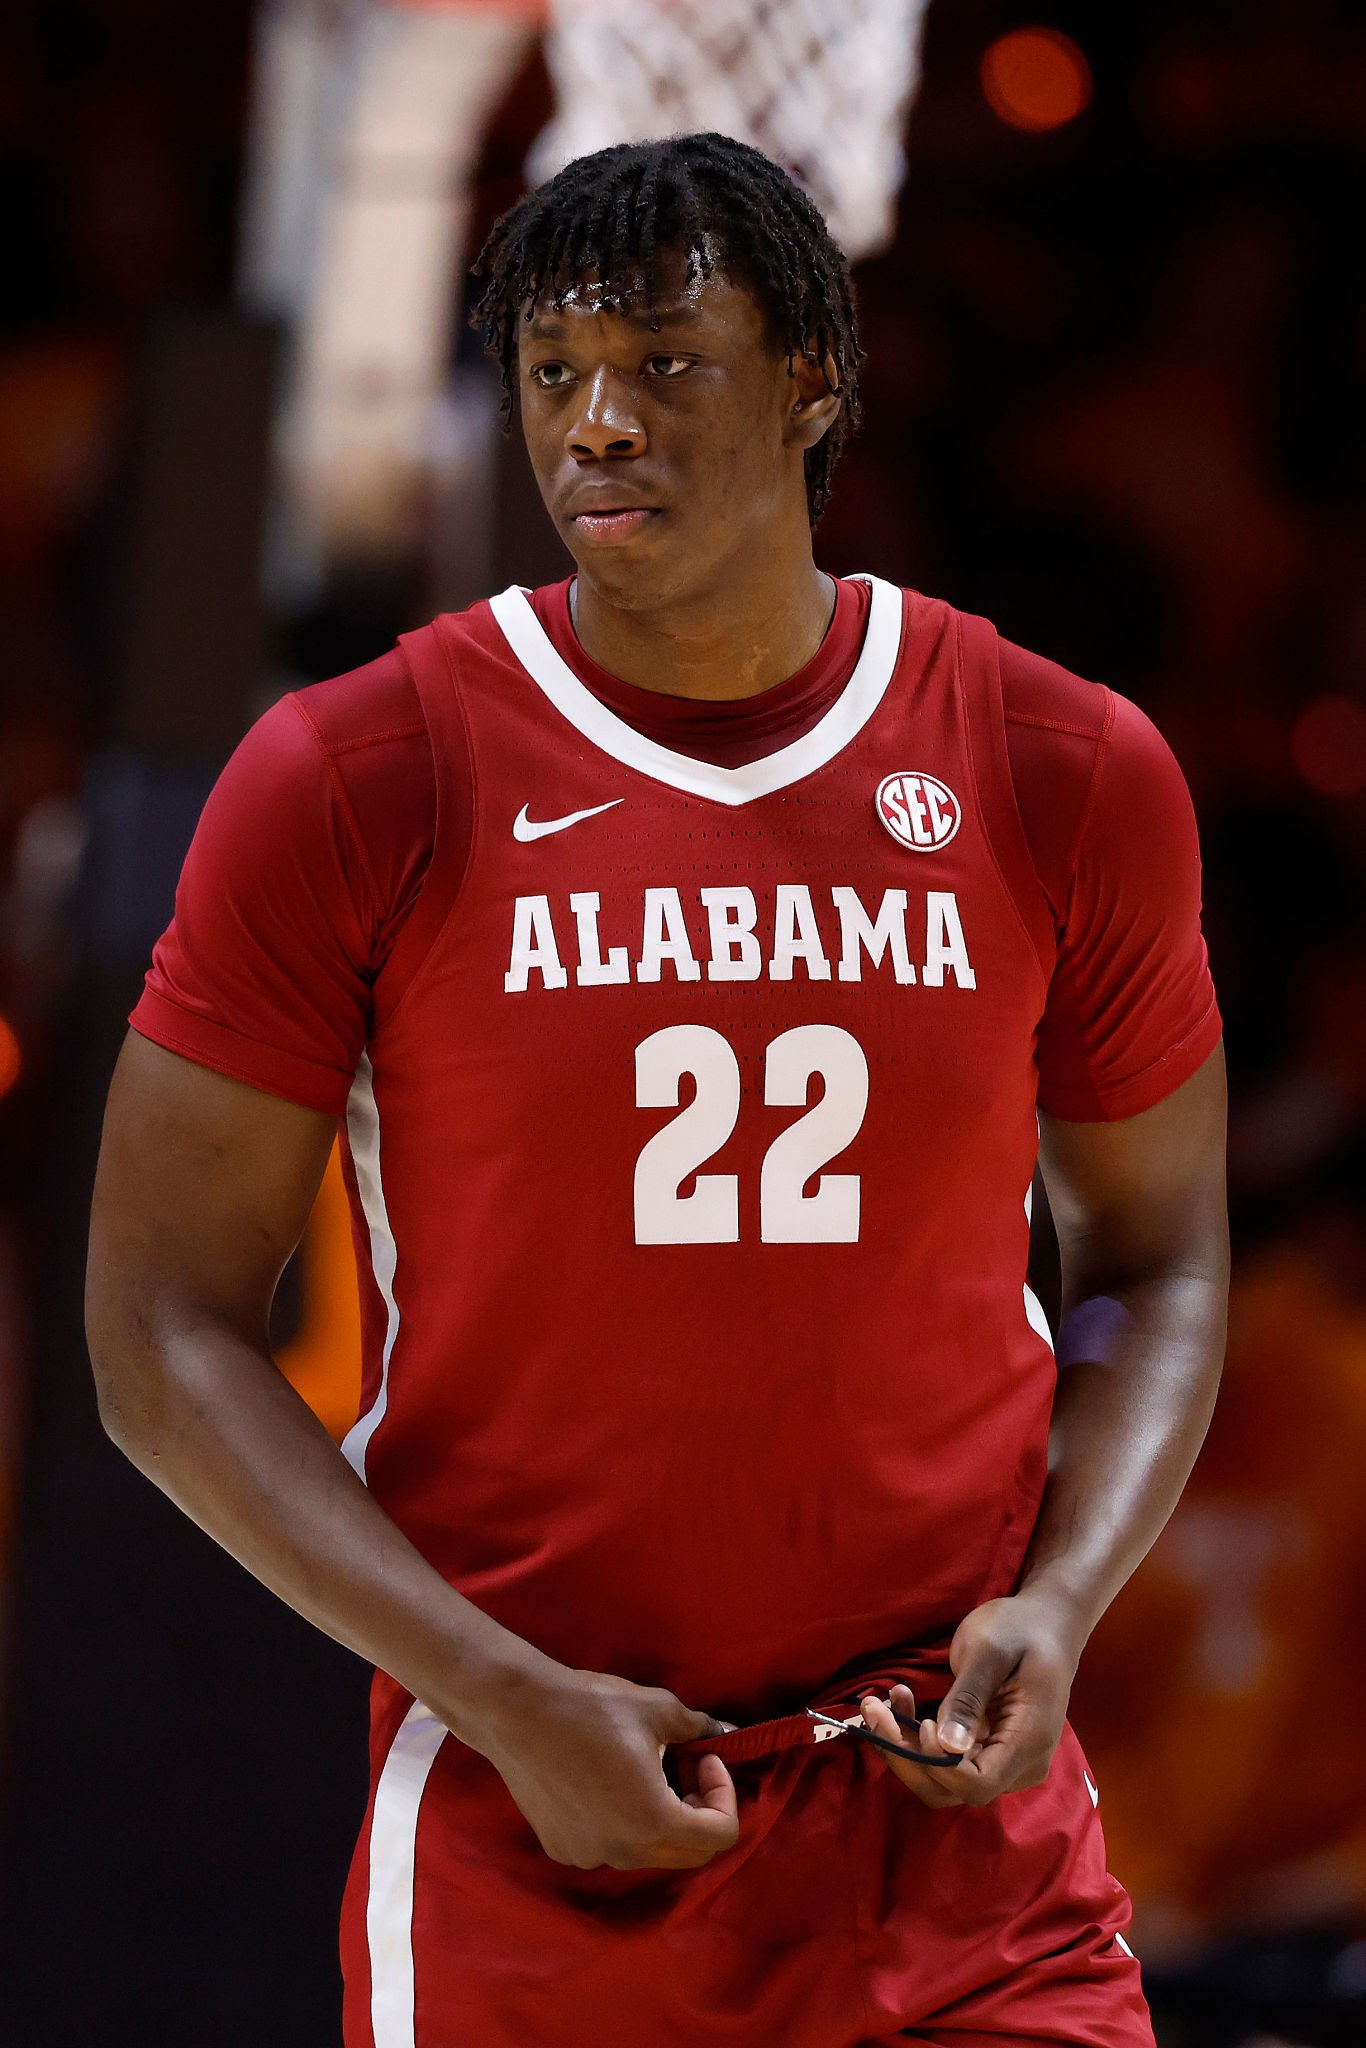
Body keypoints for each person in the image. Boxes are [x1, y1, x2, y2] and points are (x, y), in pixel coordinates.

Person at [86, 135, 1229, 2048]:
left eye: (664, 364)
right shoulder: (358, 775)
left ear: (813, 386)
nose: (596, 424)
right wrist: (495, 1691)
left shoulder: (1057, 764)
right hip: (540, 1823)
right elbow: (156, 1331)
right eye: (553, 373)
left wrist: (1060, 1601)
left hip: (950, 1838)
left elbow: (1161, 1263)